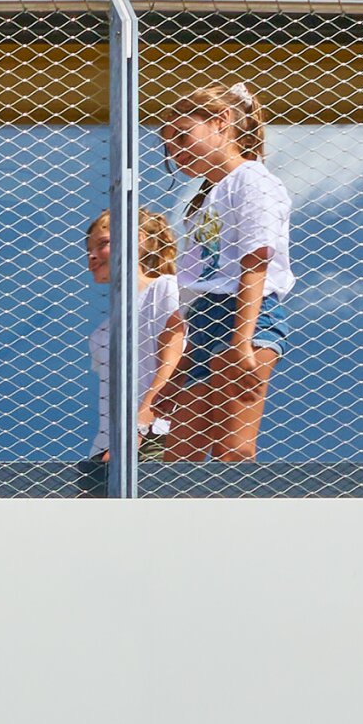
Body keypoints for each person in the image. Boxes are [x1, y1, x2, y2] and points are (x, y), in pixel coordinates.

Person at [157, 80, 293, 465]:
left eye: (183, 137)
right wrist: (179, 368)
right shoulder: (203, 201)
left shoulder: (252, 180)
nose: (177, 153)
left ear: (221, 121)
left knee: (234, 449)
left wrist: (242, 340)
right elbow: (196, 286)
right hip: (203, 323)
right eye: (170, 147)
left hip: (244, 315)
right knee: (179, 455)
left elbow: (256, 261)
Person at [84, 207, 186, 464]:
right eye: (89, 250)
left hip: (154, 434)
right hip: (108, 444)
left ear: (137, 240)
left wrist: (141, 422)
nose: (92, 256)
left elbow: (174, 360)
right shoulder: (103, 331)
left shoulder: (164, 288)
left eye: (103, 244)